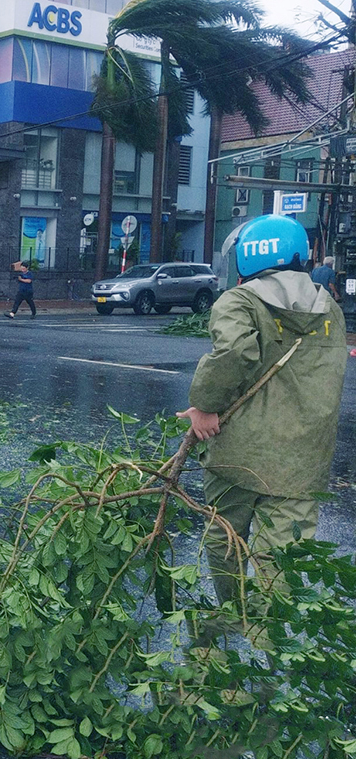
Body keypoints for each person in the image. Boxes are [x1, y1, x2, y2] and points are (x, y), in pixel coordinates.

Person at [176, 214, 346, 646]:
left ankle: (233, 614)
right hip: (303, 459)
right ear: (297, 255)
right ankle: (271, 653)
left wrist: (205, 408)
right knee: (282, 557)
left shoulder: (239, 301)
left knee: (224, 537)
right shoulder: (331, 308)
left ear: (249, 256)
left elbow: (233, 352)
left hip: (239, 452)